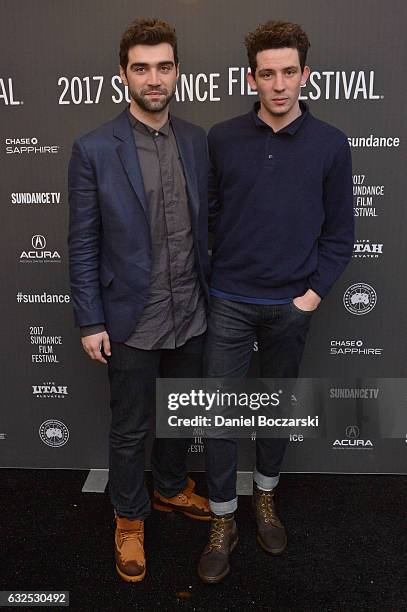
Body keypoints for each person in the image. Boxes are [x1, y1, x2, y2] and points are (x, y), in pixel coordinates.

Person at [198, 20, 354, 583]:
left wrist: (310, 297)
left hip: (292, 305)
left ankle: (265, 498)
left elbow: (340, 234)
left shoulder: (331, 144)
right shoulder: (222, 137)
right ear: (253, 78)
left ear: (305, 75)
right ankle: (223, 518)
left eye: (290, 72)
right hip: (228, 303)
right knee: (216, 414)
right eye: (268, 74)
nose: (280, 84)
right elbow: (206, 217)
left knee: (276, 408)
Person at [68, 17, 211, 583]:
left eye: (165, 66)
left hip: (192, 312)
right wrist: (90, 320)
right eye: (142, 67)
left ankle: (172, 486)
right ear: (123, 73)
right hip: (129, 317)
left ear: (177, 71)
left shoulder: (198, 140)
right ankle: (130, 517)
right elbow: (83, 241)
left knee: (180, 413)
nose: (155, 78)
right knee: (130, 427)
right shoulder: (94, 148)